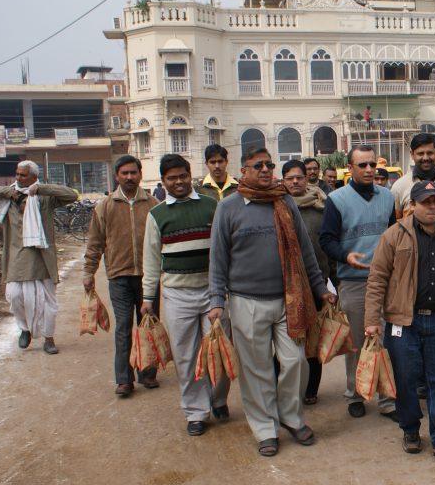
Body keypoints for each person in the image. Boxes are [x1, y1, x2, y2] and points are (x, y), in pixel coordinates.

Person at [208, 147, 333, 457]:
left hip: (288, 299)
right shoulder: (229, 208)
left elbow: (306, 251)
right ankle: (265, 428)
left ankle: (290, 417)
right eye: (258, 165)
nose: (265, 169)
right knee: (257, 369)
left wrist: (320, 288)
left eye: (269, 165)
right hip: (245, 301)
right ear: (244, 171)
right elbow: (218, 258)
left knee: (295, 361)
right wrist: (216, 299)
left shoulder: (284, 202)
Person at [364, 180, 435, 457]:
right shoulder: (393, 236)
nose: (432, 206)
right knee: (406, 379)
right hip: (403, 323)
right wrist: (372, 320)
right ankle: (410, 430)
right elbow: (377, 279)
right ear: (412, 206)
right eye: (426, 202)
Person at [141, 154, 228, 436]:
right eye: (171, 178)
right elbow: (152, 261)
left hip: (212, 292)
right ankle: (195, 412)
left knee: (219, 349)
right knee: (186, 356)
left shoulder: (211, 206)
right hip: (177, 295)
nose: (178, 182)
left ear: (190, 175)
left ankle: (218, 400)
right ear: (163, 181)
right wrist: (147, 298)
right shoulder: (156, 215)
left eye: (182, 176)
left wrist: (224, 289)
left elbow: (224, 249)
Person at [320, 146, 398, 420]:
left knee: (388, 341)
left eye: (371, 165)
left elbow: (393, 235)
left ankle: (388, 399)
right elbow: (326, 239)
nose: (368, 170)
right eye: (362, 165)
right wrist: (345, 255)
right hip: (353, 281)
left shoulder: (388, 197)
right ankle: (355, 394)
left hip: (386, 281)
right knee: (357, 342)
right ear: (350, 168)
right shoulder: (337, 200)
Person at [0, 160, 78, 354]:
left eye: (23, 175)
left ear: (34, 177)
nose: (18, 178)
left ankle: (49, 338)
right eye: (17, 174)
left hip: (42, 256)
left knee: (47, 302)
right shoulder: (8, 197)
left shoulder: (45, 197)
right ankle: (24, 329)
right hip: (16, 256)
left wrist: (40, 189)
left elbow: (71, 195)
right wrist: (6, 192)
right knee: (14, 296)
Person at [83, 155, 160, 397]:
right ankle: (124, 379)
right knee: (124, 328)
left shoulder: (153, 204)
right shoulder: (104, 206)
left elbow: (162, 243)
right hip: (119, 276)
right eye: (124, 173)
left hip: (148, 278)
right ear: (117, 176)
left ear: (140, 174)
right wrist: (89, 271)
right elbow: (95, 243)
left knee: (148, 324)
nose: (129, 177)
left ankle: (147, 373)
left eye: (133, 173)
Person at [282, 159, 335, 405]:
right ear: (283, 181)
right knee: (287, 339)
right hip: (284, 286)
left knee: (314, 339)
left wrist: (332, 283)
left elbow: (329, 247)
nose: (295, 182)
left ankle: (311, 389)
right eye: (290, 178)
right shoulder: (277, 208)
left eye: (299, 177)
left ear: (307, 179)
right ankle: (286, 390)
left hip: (316, 284)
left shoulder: (321, 208)